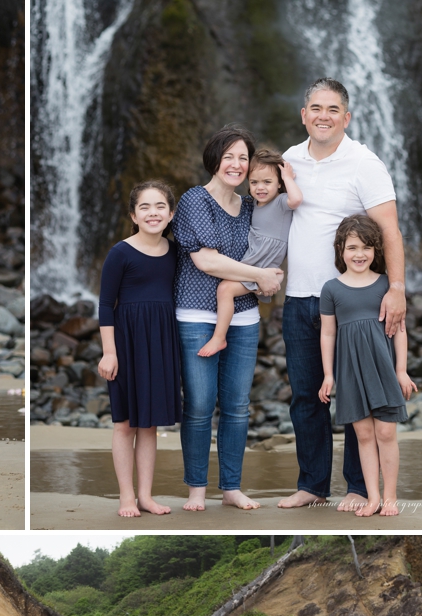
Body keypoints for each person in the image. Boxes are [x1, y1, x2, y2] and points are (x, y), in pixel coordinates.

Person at [276, 79, 406, 512]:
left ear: (346, 117)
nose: (323, 116)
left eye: (333, 109)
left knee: (357, 397)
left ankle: (356, 485)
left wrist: (398, 290)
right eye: (315, 108)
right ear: (303, 114)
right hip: (300, 298)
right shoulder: (289, 160)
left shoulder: (364, 163)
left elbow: (389, 231)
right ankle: (312, 485)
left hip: (355, 302)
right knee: (305, 397)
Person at [172, 128, 284, 511]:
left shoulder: (252, 205)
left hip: (244, 317)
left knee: (238, 406)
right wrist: (258, 277)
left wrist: (265, 278)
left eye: (244, 158)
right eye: (230, 157)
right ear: (215, 159)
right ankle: (197, 489)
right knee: (200, 404)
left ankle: (232, 488)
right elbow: (206, 260)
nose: (237, 165)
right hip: (195, 314)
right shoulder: (194, 200)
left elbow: (269, 254)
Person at [96, 181, 183, 519]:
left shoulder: (175, 252)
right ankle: (126, 497)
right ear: (133, 214)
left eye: (160, 206)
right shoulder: (121, 253)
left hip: (161, 339)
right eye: (145, 207)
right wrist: (109, 352)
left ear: (171, 213)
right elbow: (105, 304)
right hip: (127, 340)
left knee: (149, 425)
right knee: (125, 422)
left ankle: (146, 495)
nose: (153, 213)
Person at [319, 215, 415, 518]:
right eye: (352, 247)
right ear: (340, 250)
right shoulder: (331, 289)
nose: (359, 254)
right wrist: (328, 375)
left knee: (386, 434)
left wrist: (401, 370)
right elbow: (328, 333)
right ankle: (371, 497)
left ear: (376, 251)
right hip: (350, 372)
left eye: (366, 247)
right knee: (363, 436)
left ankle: (390, 498)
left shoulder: (387, 285)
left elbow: (399, 329)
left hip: (383, 367)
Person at [196, 149, 301, 357]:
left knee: (225, 289)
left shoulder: (280, 202)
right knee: (222, 281)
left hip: (261, 262)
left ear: (279, 184)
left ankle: (219, 338)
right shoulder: (252, 204)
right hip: (254, 260)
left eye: (267, 182)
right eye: (254, 182)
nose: (260, 188)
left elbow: (296, 199)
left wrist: (288, 178)